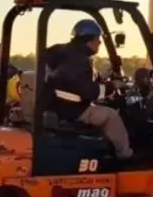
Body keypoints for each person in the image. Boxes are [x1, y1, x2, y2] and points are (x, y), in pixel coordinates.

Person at [44, 19, 133, 160]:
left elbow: (75, 81)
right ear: (89, 40)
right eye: (98, 38)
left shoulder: (63, 52)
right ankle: (125, 156)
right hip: (72, 110)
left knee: (102, 109)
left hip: (57, 104)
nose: (100, 42)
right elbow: (89, 92)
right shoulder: (79, 60)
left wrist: (102, 77)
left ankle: (107, 150)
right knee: (111, 116)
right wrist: (113, 86)